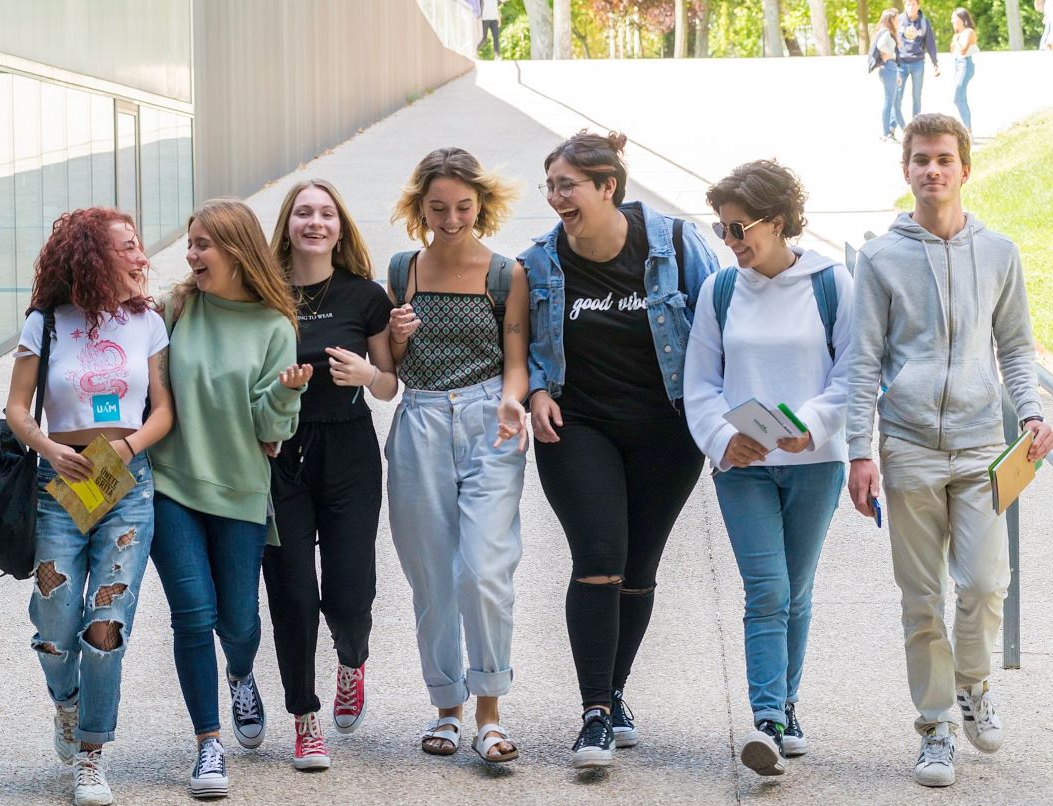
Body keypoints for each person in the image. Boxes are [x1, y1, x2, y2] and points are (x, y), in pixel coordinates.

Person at [844, 114, 1053, 788]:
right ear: (905, 170)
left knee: (987, 582)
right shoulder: (881, 257)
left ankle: (973, 685)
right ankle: (935, 726)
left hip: (981, 447)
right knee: (921, 596)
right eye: (920, 160)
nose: (932, 170)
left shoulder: (1000, 252)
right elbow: (862, 362)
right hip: (906, 446)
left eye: (943, 159)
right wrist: (860, 450)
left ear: (965, 168)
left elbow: (1016, 347)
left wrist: (1030, 411)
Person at [520, 130, 719, 769]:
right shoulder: (538, 262)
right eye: (550, 186)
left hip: (668, 430)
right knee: (600, 556)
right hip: (578, 428)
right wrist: (536, 391)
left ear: (609, 187)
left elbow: (724, 322)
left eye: (567, 186)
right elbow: (518, 342)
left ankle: (614, 692)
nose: (555, 198)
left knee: (638, 571)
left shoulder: (678, 245)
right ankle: (595, 716)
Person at [684, 161, 853, 779]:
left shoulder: (832, 282)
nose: (729, 243)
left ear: (777, 223)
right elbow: (699, 382)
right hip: (743, 466)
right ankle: (768, 723)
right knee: (769, 590)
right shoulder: (720, 291)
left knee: (796, 592)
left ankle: (786, 706)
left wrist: (813, 422)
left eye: (739, 229)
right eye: (722, 230)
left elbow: (854, 373)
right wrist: (724, 439)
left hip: (814, 462)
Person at [5, 208, 173, 806]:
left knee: (106, 625)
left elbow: (163, 411)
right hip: (63, 479)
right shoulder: (46, 324)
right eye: (126, 247)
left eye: (138, 246)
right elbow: (17, 410)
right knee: (54, 621)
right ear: (92, 256)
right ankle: (68, 705)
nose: (140, 257)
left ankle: (91, 754)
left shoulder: (146, 322)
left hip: (126, 480)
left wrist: (125, 448)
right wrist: (49, 447)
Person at [148, 199, 303, 798]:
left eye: (204, 243)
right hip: (171, 484)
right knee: (193, 613)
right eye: (191, 242)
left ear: (239, 251)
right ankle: (208, 744)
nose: (192, 254)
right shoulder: (176, 308)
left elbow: (270, 430)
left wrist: (287, 394)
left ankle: (241, 672)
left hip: (239, 489)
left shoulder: (274, 326)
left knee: (238, 622)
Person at [385, 147, 530, 764]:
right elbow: (388, 372)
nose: (451, 219)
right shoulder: (400, 272)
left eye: (463, 207)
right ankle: (447, 707)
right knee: (432, 576)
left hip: (488, 421)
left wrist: (512, 401)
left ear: (482, 205)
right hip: (417, 417)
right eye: (438, 207)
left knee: (484, 569)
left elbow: (517, 364)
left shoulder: (506, 274)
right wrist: (393, 339)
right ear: (420, 206)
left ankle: (490, 713)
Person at [262, 180, 397, 771]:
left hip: (348, 451)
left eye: (326, 214)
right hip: (277, 455)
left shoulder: (366, 296)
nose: (315, 223)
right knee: (291, 592)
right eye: (303, 213)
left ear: (341, 227)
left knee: (349, 591)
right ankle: (304, 718)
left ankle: (351, 659)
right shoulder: (261, 291)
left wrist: (366, 373)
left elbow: (391, 385)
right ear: (287, 224)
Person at [897, 0, 940, 119]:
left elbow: (930, 44)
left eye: (913, 4)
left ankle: (916, 126)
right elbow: (892, 41)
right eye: (908, 4)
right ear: (904, 6)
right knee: (897, 96)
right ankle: (891, 128)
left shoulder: (924, 22)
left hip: (918, 63)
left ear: (918, 5)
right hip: (901, 63)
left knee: (916, 97)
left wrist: (935, 63)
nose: (910, 7)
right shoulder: (898, 20)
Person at [874, 9, 907, 142]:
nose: (898, 21)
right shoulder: (886, 32)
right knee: (889, 102)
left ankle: (906, 131)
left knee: (897, 103)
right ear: (890, 20)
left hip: (892, 70)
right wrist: (889, 55)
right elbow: (880, 45)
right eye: (896, 19)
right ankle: (886, 133)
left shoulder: (890, 33)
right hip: (888, 69)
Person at [950, 8, 977, 133]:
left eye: (954, 18)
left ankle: (967, 129)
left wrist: (956, 40)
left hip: (966, 64)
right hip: (957, 65)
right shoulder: (957, 35)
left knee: (957, 97)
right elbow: (953, 52)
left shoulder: (969, 32)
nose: (952, 21)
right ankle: (967, 127)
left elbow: (962, 51)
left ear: (962, 19)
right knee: (962, 98)